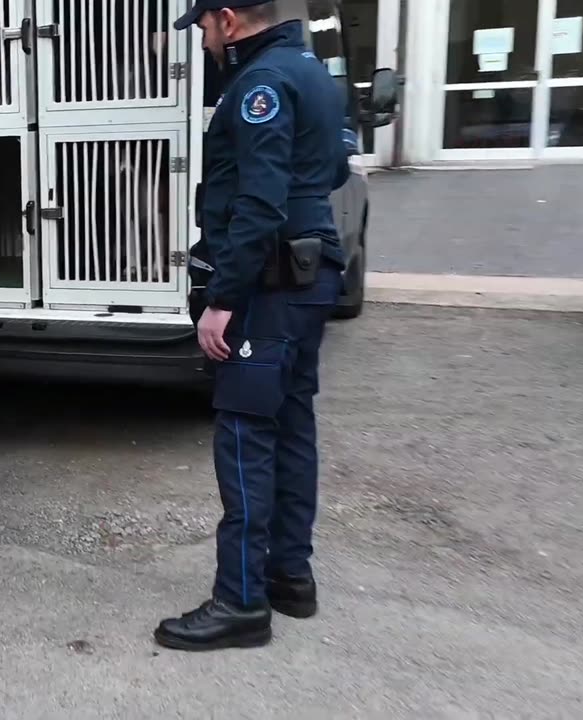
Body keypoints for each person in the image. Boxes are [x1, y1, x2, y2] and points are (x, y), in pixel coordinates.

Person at [155, 0, 351, 651]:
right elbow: (333, 171)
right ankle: (290, 577)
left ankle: (240, 601)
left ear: (229, 19)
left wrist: (223, 300)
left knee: (244, 435)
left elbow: (260, 202)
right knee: (293, 426)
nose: (206, 42)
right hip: (310, 274)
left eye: (205, 28)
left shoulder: (260, 85)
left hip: (268, 288)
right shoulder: (311, 71)